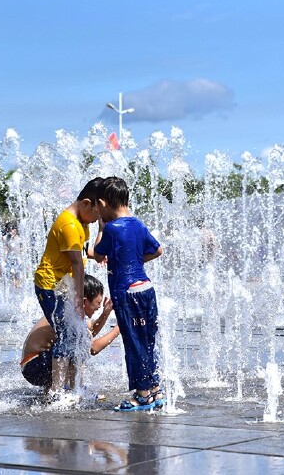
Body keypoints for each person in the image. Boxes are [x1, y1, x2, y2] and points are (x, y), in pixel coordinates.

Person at [93, 176, 164, 411]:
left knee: (133, 342)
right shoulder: (138, 224)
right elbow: (158, 250)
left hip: (127, 293)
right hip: (146, 289)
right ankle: (154, 389)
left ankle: (142, 395)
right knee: (147, 339)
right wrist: (134, 261)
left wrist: (101, 228)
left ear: (103, 204)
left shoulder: (112, 229)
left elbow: (97, 253)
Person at [33, 177, 104, 399]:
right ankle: (57, 392)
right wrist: (79, 301)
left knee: (75, 334)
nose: (94, 221)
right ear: (86, 203)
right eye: (96, 215)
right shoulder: (69, 225)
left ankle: (74, 387)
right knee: (66, 334)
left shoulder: (82, 222)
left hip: (64, 286)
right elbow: (76, 264)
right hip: (50, 286)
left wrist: (101, 225)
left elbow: (86, 252)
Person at [21, 274, 120, 391]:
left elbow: (90, 331)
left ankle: (64, 388)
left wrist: (106, 313)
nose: (99, 307)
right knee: (78, 347)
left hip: (33, 364)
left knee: (75, 343)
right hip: (34, 368)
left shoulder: (69, 311)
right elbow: (92, 348)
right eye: (98, 302)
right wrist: (120, 328)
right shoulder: (68, 318)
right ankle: (67, 390)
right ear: (84, 302)